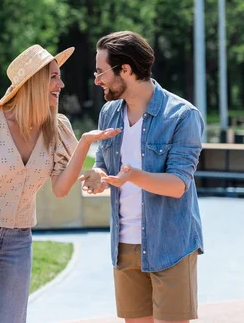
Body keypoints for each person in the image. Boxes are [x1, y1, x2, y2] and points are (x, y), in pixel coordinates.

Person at [0, 44, 120, 323]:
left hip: (18, 239)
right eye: (53, 77)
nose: (60, 84)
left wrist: (84, 143)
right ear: (32, 81)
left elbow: (61, 189)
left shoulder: (56, 128)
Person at [79, 31, 205, 323]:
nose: (96, 79)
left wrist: (132, 176)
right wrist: (99, 176)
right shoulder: (109, 113)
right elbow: (104, 165)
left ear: (126, 69)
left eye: (101, 71)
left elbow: (177, 185)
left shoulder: (182, 116)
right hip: (125, 245)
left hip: (171, 245)